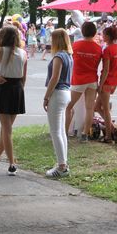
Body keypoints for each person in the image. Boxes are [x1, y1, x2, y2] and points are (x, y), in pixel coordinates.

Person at [0, 25, 27, 176]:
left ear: (2, 37)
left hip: (4, 87)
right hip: (17, 88)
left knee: (6, 130)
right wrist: (21, 91)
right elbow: (23, 77)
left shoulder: (0, 50)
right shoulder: (23, 53)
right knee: (6, 129)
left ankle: (12, 164)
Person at [43, 28, 73, 178]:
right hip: (66, 92)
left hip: (58, 93)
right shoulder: (68, 55)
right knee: (61, 131)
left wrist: (46, 96)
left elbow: (54, 78)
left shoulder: (58, 57)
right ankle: (63, 162)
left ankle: (61, 166)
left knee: (55, 131)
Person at [66, 21, 102, 141]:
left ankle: (65, 132)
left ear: (82, 31)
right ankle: (85, 134)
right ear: (95, 32)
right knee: (89, 108)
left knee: (68, 106)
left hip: (78, 79)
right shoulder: (98, 48)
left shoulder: (76, 45)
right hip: (92, 79)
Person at [95, 26, 117, 143]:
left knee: (105, 109)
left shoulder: (107, 50)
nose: (102, 36)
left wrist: (100, 85)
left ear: (108, 36)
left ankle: (108, 136)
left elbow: (105, 70)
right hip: (115, 81)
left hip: (107, 82)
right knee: (96, 107)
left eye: (104, 34)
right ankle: (112, 128)